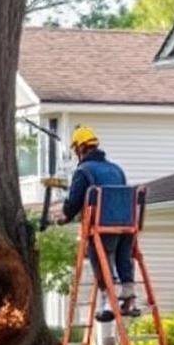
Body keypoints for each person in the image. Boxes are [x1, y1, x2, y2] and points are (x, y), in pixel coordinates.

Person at [56, 126, 139, 323]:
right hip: (127, 225)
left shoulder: (83, 170)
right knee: (123, 258)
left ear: (80, 149)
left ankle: (109, 303)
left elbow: (73, 204)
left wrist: (66, 213)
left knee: (100, 259)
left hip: (101, 227)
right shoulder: (116, 169)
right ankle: (129, 300)